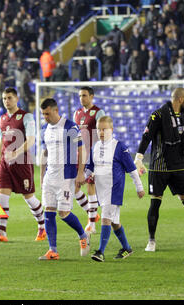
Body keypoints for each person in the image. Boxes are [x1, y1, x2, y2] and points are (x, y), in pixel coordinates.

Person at [134, 88, 184, 252]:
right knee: (155, 203)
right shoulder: (158, 115)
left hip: (178, 166)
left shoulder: (183, 116)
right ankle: (151, 240)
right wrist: (139, 158)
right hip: (159, 166)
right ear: (180, 99)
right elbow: (146, 136)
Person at [86, 116, 145, 262]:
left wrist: (139, 187)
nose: (101, 132)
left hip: (114, 189)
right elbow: (90, 167)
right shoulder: (95, 146)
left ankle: (100, 252)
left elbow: (132, 170)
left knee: (105, 218)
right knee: (114, 222)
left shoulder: (119, 147)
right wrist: (86, 176)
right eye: (99, 129)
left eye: (104, 129)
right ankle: (127, 248)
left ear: (111, 130)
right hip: (101, 189)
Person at [39, 98, 90, 260]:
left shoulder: (70, 126)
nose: (45, 117)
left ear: (55, 110)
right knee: (48, 211)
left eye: (47, 113)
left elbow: (81, 149)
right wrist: (41, 177)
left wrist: (81, 172)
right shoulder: (45, 129)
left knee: (64, 213)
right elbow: (45, 153)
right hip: (50, 176)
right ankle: (52, 250)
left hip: (66, 176)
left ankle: (83, 235)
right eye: (43, 114)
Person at [0, 87, 46, 242]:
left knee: (29, 197)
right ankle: (1, 232)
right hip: (5, 164)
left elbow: (31, 140)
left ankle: (42, 227)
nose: (6, 101)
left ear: (17, 99)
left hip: (22, 163)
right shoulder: (2, 118)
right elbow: (1, 141)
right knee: (2, 196)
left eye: (9, 98)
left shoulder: (27, 117)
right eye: (4, 98)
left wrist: (15, 153)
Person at [73, 86, 105, 234]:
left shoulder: (98, 113)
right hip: (80, 156)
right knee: (74, 187)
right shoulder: (77, 113)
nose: (82, 98)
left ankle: (91, 224)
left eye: (84, 95)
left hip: (93, 155)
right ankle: (92, 214)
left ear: (91, 96)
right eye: (80, 95)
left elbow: (103, 133)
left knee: (90, 186)